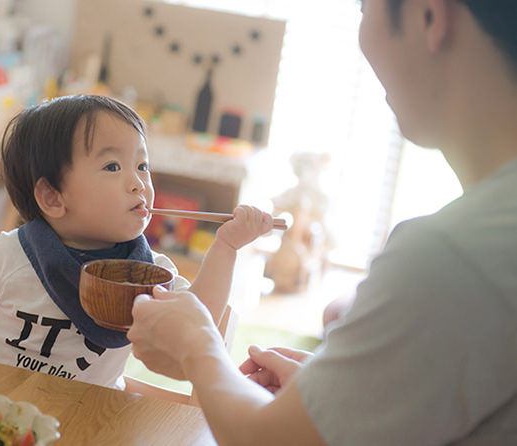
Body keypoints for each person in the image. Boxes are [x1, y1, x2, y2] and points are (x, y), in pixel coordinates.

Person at [127, 0, 517, 444]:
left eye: (364, 10)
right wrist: (348, 391)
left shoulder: (453, 255)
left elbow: (270, 439)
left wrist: (198, 346)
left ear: (429, 16)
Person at [0, 95, 274, 389]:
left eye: (142, 164)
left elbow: (195, 323)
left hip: (88, 422)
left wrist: (226, 248)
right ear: (53, 197)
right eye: (113, 166)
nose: (139, 183)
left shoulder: (148, 274)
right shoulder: (12, 254)